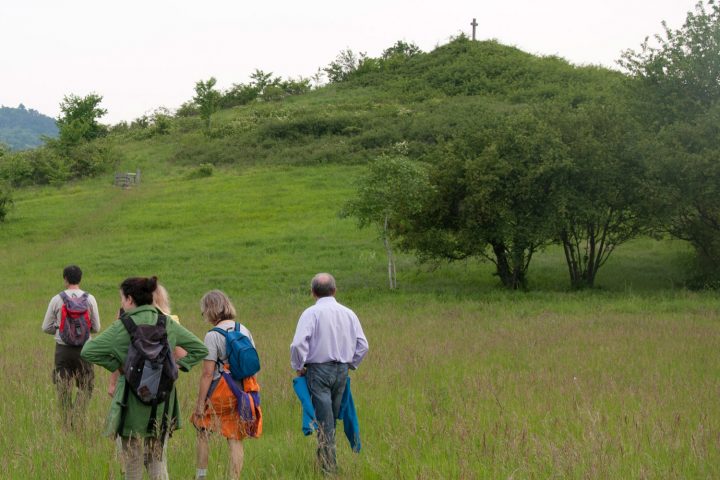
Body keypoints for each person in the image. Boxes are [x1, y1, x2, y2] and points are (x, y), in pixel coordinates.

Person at [81, 276, 208, 480]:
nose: (122, 303)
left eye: (122, 299)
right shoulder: (167, 323)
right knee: (157, 466)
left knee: (132, 468)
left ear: (130, 299)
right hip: (162, 406)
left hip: (130, 407)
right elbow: (200, 349)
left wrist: (119, 367)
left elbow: (88, 351)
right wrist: (176, 367)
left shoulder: (121, 327)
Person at [290, 273, 369, 474]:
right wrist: (351, 363)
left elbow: (299, 344)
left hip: (318, 371)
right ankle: (324, 464)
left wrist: (298, 366)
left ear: (313, 292)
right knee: (330, 421)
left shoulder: (310, 313)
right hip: (341, 371)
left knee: (325, 425)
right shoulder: (348, 313)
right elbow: (363, 345)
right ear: (334, 290)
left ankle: (329, 471)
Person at [192, 290, 262, 480]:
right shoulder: (243, 329)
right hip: (241, 390)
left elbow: (207, 373)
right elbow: (253, 366)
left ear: (210, 310)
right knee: (235, 437)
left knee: (203, 430)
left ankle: (201, 476)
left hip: (219, 391)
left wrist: (200, 404)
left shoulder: (212, 335)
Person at [42, 264, 101, 430]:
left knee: (63, 387)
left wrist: (62, 329)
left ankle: (66, 424)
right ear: (80, 279)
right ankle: (78, 416)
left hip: (63, 350)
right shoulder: (90, 299)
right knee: (86, 386)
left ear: (65, 279)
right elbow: (96, 328)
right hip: (85, 350)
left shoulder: (57, 299)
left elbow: (45, 327)